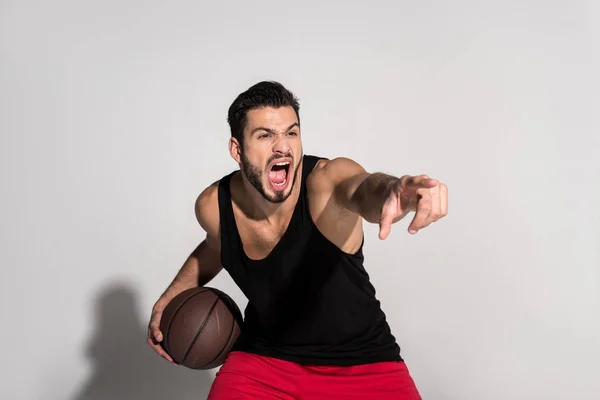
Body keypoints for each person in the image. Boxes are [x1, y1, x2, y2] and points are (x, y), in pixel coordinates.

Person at [147, 81, 448, 399]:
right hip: (263, 363)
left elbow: (361, 187)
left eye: (291, 132)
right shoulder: (213, 206)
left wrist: (393, 190)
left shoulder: (326, 183)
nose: (283, 147)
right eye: (265, 135)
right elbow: (216, 245)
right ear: (237, 149)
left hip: (363, 366)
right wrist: (171, 297)